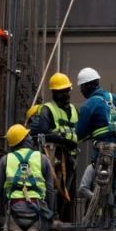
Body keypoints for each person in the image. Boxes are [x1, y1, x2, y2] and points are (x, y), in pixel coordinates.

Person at [74, 67, 116, 219]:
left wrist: (90, 133)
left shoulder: (89, 105)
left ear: (87, 86)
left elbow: (79, 132)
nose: (82, 92)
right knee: (114, 178)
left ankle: (105, 214)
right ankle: (114, 216)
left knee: (101, 183)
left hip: (104, 154)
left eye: (82, 88)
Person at [31, 72, 79, 222]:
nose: (65, 94)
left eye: (67, 90)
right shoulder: (47, 110)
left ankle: (65, 219)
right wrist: (63, 141)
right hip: (55, 156)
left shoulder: (73, 109)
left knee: (68, 191)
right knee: (56, 188)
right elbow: (44, 134)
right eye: (62, 91)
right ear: (55, 93)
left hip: (71, 155)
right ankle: (54, 217)